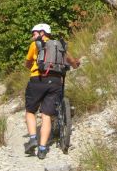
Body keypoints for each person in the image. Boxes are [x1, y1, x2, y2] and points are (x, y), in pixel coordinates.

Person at [24, 23, 80, 159]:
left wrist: (32, 66)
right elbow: (71, 60)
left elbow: (27, 63)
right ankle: (42, 149)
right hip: (55, 82)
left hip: (38, 80)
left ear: (42, 33)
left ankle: (32, 139)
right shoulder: (59, 45)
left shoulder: (35, 44)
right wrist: (75, 64)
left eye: (35, 33)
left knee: (30, 111)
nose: (33, 35)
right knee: (46, 115)